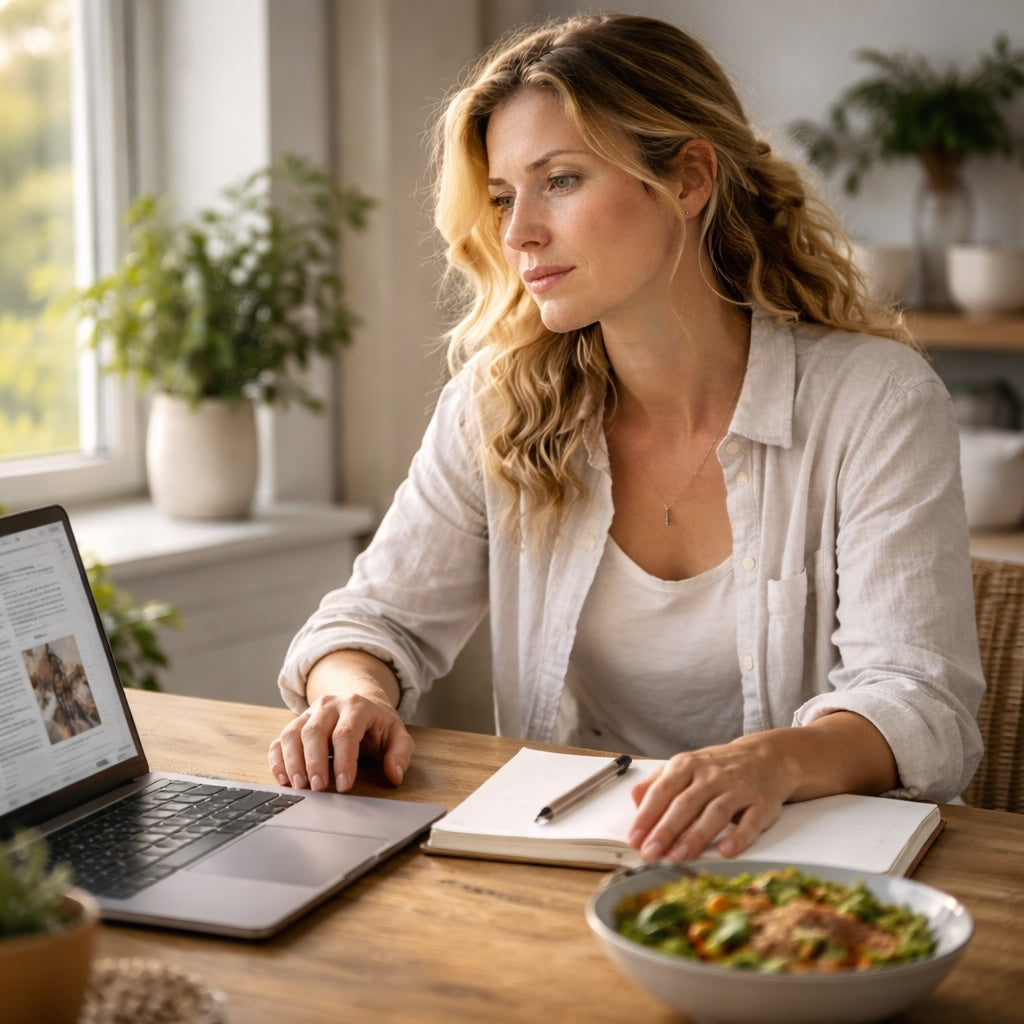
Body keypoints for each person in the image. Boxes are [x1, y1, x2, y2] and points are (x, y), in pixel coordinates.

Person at [268, 12, 984, 863]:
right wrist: (352, 694)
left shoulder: (876, 401)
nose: (517, 232)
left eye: (559, 181)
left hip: (809, 885)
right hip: (557, 873)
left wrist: (767, 763)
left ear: (688, 179)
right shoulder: (498, 405)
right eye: (502, 198)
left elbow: (917, 699)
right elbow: (373, 620)